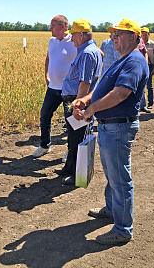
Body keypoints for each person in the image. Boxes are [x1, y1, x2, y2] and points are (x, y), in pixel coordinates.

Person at [72, 19, 149, 245]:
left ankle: (123, 229)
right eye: (113, 34)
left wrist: (91, 110)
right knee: (111, 174)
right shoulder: (122, 59)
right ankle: (111, 210)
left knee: (119, 178)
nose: (114, 37)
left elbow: (121, 93)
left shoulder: (134, 60)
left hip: (118, 126)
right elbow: (103, 88)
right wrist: (86, 99)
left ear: (134, 37)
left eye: (120, 34)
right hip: (110, 126)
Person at [59, 19, 102, 185]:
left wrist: (78, 105)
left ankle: (78, 175)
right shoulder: (91, 49)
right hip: (76, 99)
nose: (72, 39)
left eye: (73, 36)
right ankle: (69, 168)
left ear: (81, 35)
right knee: (73, 137)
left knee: (78, 139)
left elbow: (85, 82)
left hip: (76, 101)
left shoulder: (86, 53)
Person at [32, 15, 77, 158]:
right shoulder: (52, 41)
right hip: (53, 87)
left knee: (70, 121)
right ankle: (45, 145)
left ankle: (71, 151)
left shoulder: (74, 41)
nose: (50, 28)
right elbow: (48, 58)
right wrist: (46, 75)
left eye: (53, 26)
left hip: (69, 89)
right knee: (45, 115)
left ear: (63, 26)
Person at [141, 27, 154, 108]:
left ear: (149, 34)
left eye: (146, 35)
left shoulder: (153, 44)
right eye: (142, 35)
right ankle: (142, 104)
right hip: (141, 66)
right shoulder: (139, 44)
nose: (144, 36)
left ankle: (151, 103)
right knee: (141, 86)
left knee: (149, 85)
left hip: (150, 66)